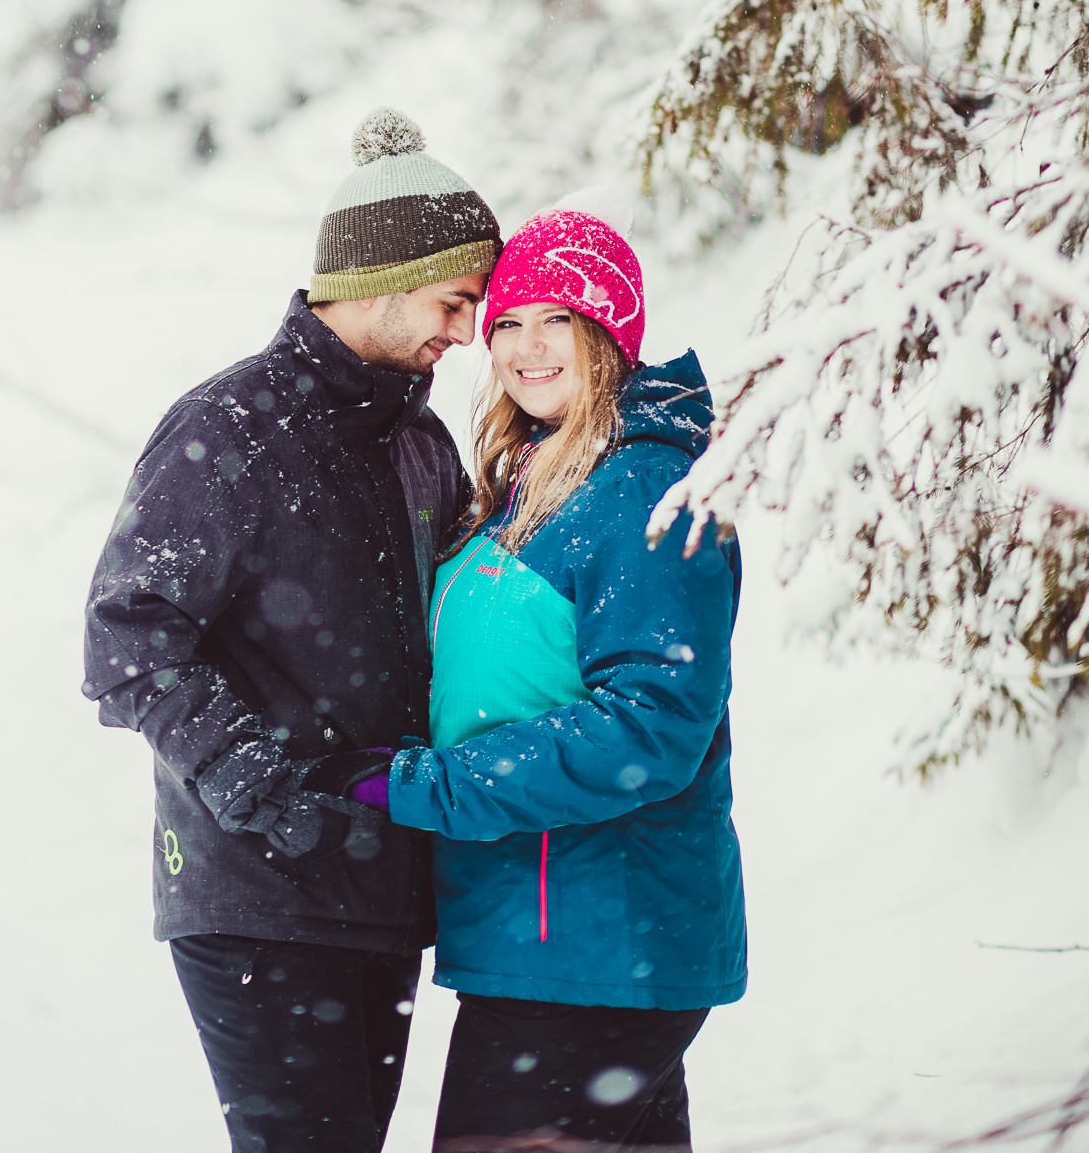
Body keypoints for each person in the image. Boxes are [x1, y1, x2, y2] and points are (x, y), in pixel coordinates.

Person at [82, 107, 502, 1153]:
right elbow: (127, 635)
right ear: (386, 274)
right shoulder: (226, 428)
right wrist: (264, 793)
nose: (466, 330)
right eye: (455, 299)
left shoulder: (421, 441)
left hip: (384, 883)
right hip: (259, 892)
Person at [363, 189, 746, 1153]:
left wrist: (435, 784)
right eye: (511, 323)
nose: (530, 346)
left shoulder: (642, 487)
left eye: (559, 322)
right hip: (547, 938)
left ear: (608, 334)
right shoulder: (531, 479)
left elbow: (651, 726)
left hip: (589, 940)